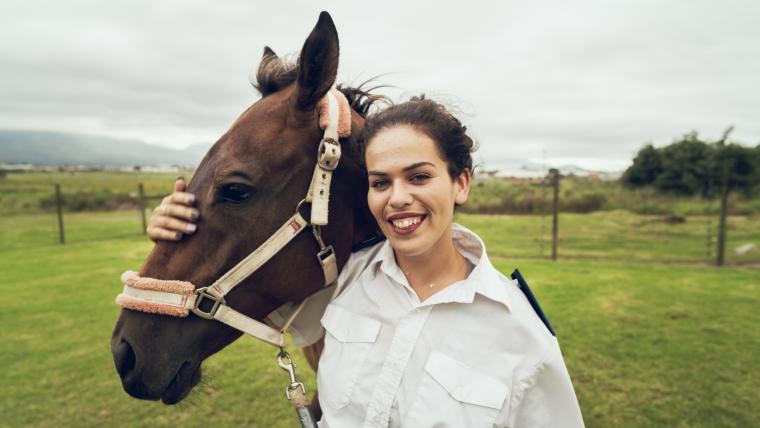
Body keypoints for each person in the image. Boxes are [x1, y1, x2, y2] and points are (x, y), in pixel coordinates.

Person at [148, 96, 584, 427]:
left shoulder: (524, 337)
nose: (397, 198)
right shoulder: (340, 283)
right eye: (381, 182)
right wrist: (186, 225)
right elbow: (239, 285)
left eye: (419, 177)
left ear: (461, 183)